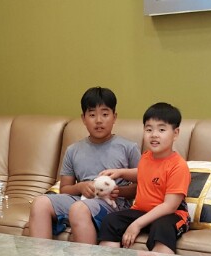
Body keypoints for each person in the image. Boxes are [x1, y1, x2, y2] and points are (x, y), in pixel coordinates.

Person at [27, 87, 141, 244]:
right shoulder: (73, 150)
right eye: (92, 115)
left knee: (79, 209)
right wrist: (81, 187)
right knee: (40, 203)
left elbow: (141, 186)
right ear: (83, 118)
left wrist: (118, 191)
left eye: (105, 114)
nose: (99, 120)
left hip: (114, 205)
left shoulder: (128, 148)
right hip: (82, 199)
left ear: (114, 117)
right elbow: (65, 189)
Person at [98, 102, 190, 254]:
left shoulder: (178, 166)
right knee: (111, 220)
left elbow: (170, 206)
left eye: (161, 129)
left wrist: (137, 224)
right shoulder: (146, 157)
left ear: (175, 133)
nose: (154, 134)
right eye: (149, 129)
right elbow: (143, 173)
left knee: (162, 227)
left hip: (171, 215)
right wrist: (121, 173)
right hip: (142, 211)